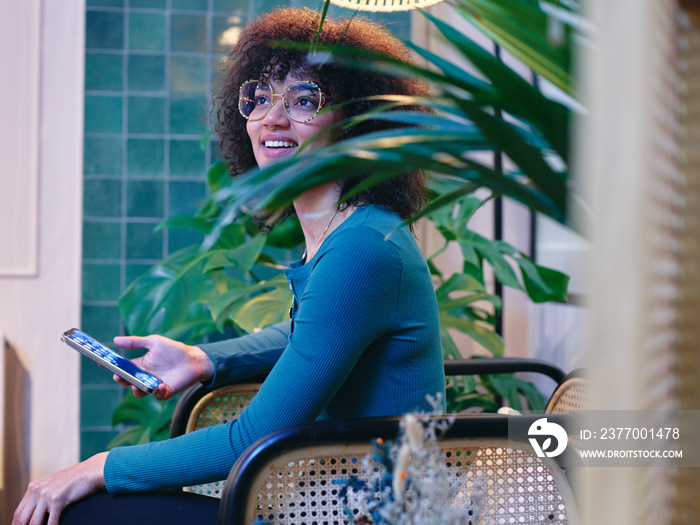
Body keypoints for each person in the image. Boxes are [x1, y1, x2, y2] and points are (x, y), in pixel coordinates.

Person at [13, 7, 445, 525]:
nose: (272, 118)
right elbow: (306, 335)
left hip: (369, 512)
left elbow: (254, 435)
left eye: (304, 100)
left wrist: (100, 465)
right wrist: (202, 359)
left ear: (356, 122)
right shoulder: (349, 229)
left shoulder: (362, 248)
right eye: (259, 97)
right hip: (327, 495)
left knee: (87, 510)